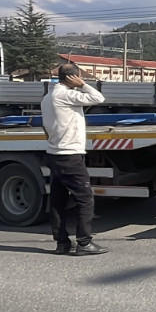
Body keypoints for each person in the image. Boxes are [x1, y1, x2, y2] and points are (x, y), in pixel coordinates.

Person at [41, 63, 108, 256]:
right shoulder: (65, 95)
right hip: (69, 155)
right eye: (78, 76)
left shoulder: (47, 98)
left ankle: (62, 243)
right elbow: (98, 98)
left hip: (54, 154)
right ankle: (84, 243)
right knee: (85, 198)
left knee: (58, 201)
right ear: (73, 77)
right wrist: (83, 85)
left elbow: (46, 128)